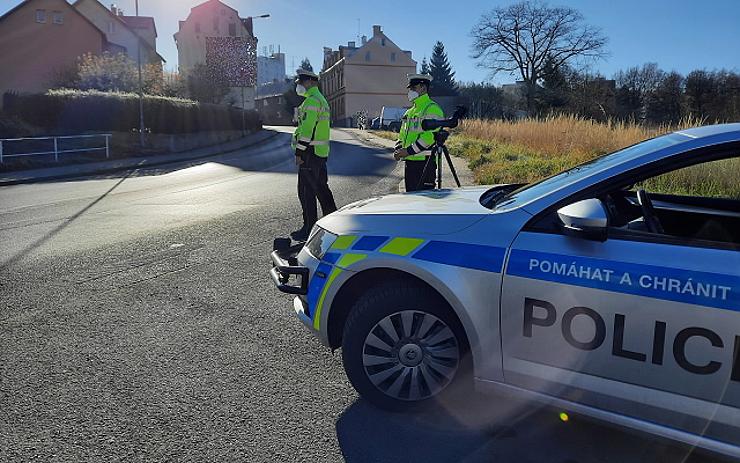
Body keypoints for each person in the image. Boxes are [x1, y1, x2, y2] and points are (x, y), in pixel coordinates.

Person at [290, 69, 337, 241]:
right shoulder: (320, 100)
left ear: (310, 82)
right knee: (322, 189)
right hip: (319, 153)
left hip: (309, 153)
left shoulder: (311, 101)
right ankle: (334, 224)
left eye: (300, 83)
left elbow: (307, 130)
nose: (299, 86)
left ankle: (309, 228)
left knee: (306, 192)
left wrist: (299, 151)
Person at [393, 74, 445, 191]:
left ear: (423, 88)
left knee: (425, 204)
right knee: (411, 203)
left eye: (413, 88)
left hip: (425, 164)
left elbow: (429, 138)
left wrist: (408, 151)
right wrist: (398, 150)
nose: (410, 92)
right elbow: (402, 134)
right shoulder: (409, 112)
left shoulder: (432, 108)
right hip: (410, 163)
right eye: (410, 89)